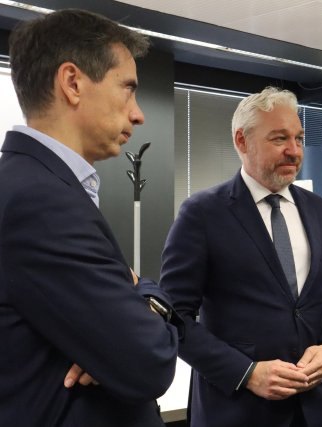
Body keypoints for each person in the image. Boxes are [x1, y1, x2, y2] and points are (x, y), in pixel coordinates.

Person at [0, 9, 181, 427]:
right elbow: (149, 361)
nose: (138, 113)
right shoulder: (42, 201)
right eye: (127, 89)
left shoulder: (29, 184)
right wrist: (144, 290)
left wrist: (109, 346)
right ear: (73, 82)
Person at [160, 86, 322, 427]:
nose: (294, 150)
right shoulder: (203, 213)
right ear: (242, 141)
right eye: (279, 138)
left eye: (299, 138)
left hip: (313, 408)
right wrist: (246, 373)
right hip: (236, 409)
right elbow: (174, 317)